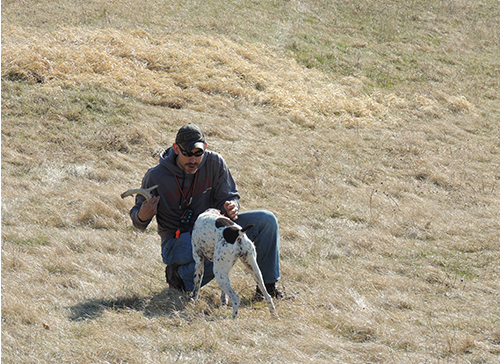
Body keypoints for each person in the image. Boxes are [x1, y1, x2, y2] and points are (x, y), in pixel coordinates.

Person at [128, 123, 283, 299]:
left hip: (214, 228)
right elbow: (137, 222)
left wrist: (231, 206)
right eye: (187, 154)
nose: (192, 160)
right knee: (222, 245)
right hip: (176, 242)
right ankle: (181, 279)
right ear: (176, 149)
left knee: (266, 221)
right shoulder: (155, 176)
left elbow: (230, 197)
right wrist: (143, 215)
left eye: (198, 154)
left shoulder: (215, 163)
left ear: (205, 148)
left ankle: (268, 289)